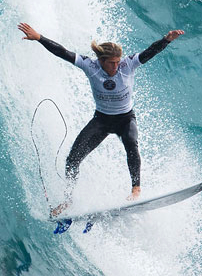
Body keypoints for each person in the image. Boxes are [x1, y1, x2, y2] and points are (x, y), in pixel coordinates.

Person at [17, 22, 184, 217]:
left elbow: (149, 52)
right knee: (73, 159)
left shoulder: (128, 64)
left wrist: (166, 40)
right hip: (102, 120)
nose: (116, 66)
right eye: (112, 62)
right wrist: (39, 38)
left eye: (118, 61)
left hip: (125, 119)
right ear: (102, 60)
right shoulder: (90, 66)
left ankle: (136, 189)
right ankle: (68, 199)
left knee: (131, 143)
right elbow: (62, 52)